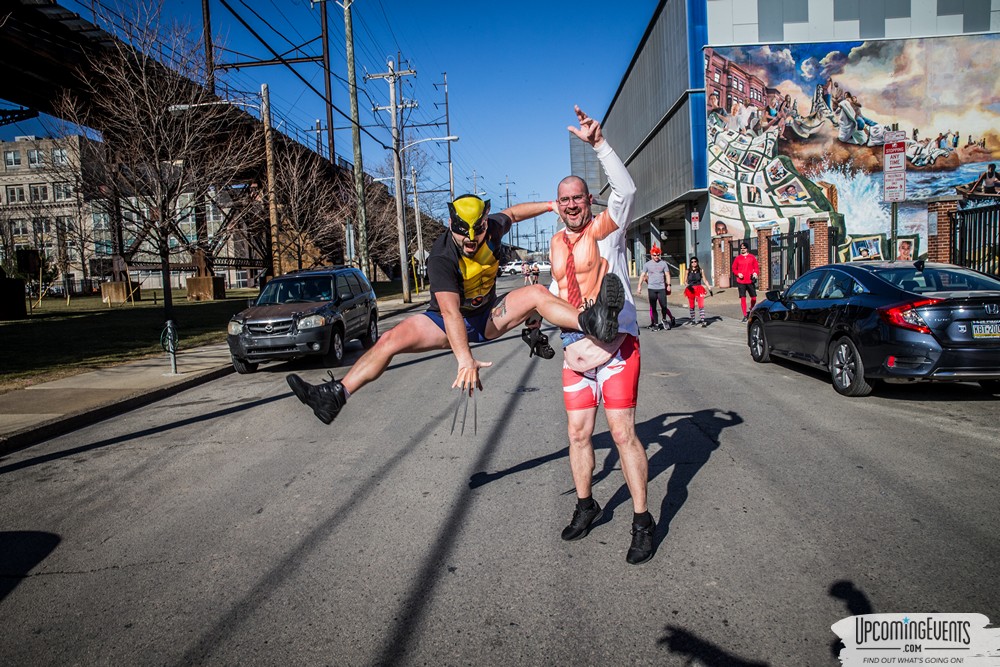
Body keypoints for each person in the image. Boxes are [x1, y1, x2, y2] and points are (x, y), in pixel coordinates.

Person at [285, 192, 626, 424]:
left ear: (484, 225)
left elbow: (515, 214)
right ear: (451, 226)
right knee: (389, 340)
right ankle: (337, 394)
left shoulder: (492, 229)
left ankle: (589, 321)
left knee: (536, 292)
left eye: (476, 234)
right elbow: (449, 313)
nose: (470, 241)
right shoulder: (441, 257)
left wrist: (551, 205)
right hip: (447, 322)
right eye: (463, 235)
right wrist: (464, 359)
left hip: (489, 315)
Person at [548, 105, 655, 565]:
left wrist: (599, 144)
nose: (572, 204)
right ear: (558, 205)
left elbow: (626, 189)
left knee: (622, 433)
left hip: (616, 348)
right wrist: (540, 322)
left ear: (589, 201)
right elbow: (555, 291)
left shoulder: (606, 230)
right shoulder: (554, 243)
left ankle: (642, 521)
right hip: (576, 350)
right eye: (564, 199)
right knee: (577, 434)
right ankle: (586, 505)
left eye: (579, 197)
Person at [636, 245, 675, 331]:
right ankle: (656, 324)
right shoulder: (647, 264)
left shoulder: (663, 263)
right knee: (653, 307)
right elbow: (642, 275)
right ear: (651, 255)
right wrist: (639, 286)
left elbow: (667, 274)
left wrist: (668, 285)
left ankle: (664, 319)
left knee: (664, 306)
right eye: (654, 255)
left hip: (661, 288)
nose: (656, 257)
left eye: (658, 255)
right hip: (652, 288)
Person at [730, 242, 760, 323]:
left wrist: (755, 273)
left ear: (747, 248)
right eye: (741, 248)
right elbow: (734, 268)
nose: (743, 249)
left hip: (750, 280)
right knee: (743, 298)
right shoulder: (738, 258)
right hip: (741, 281)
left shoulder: (752, 257)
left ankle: (751, 310)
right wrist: (737, 274)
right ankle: (745, 315)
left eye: (744, 248)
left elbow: (756, 267)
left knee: (753, 297)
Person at [684, 256, 709, 327]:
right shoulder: (687, 271)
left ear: (697, 262)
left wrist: (709, 288)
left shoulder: (701, 270)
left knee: (701, 305)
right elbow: (685, 281)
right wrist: (687, 285)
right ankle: (693, 319)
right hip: (690, 289)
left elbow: (704, 280)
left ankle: (703, 320)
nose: (694, 263)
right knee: (692, 305)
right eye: (692, 262)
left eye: (695, 261)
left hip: (699, 288)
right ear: (690, 263)